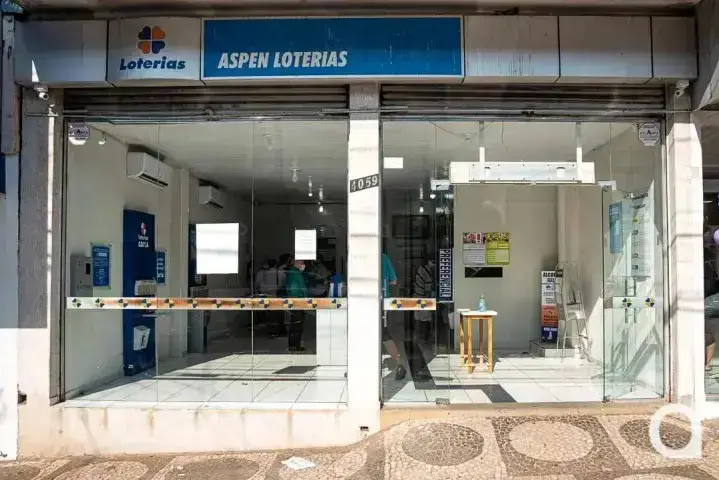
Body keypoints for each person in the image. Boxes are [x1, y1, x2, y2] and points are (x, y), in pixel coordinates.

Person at [382, 252, 407, 380]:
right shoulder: (384, 257)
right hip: (382, 301)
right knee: (384, 334)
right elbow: (393, 281)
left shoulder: (359, 256)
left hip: (364, 302)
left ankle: (356, 365)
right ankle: (399, 364)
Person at [284, 258, 309, 352]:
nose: (303, 265)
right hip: (297, 302)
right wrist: (302, 299)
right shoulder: (294, 273)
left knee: (295, 324)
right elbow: (295, 289)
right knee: (297, 325)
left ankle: (293, 345)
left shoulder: (294, 273)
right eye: (302, 263)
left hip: (295, 301)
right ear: (297, 263)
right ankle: (295, 346)